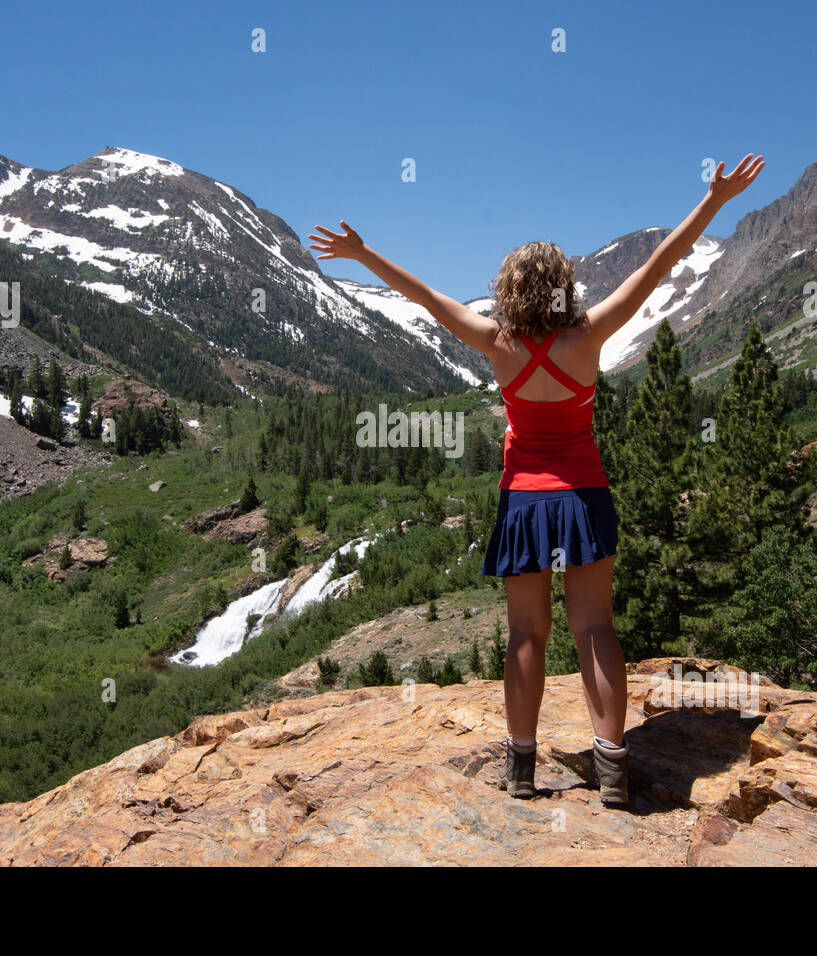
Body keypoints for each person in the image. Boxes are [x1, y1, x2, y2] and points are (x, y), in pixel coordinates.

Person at [308, 153, 765, 807]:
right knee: (596, 631)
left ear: (509, 287)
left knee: (527, 635)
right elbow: (661, 261)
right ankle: (612, 766)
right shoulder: (591, 334)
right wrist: (715, 200)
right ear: (564, 286)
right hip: (583, 498)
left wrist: (362, 252)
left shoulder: (497, 343)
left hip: (525, 502)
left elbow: (422, 295)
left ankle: (520, 771)